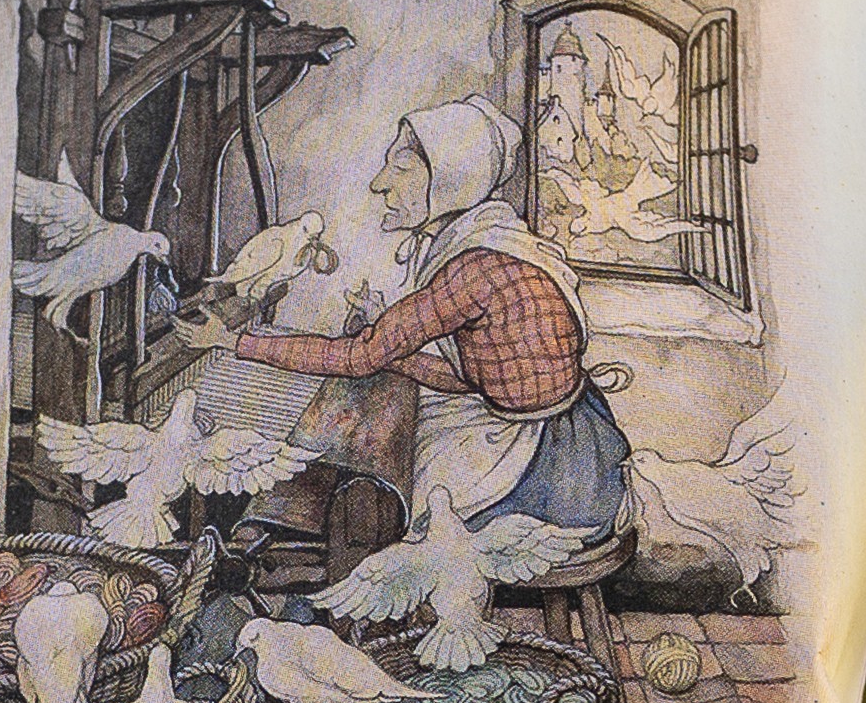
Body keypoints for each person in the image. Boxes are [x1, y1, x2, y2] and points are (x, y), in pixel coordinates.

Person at [222, 97, 631, 540]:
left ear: (450, 181)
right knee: (378, 395)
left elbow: (360, 357)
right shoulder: (495, 241)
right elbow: (470, 375)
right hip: (561, 435)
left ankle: (299, 527)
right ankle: (295, 521)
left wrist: (234, 343)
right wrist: (389, 349)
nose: (380, 184)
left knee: (373, 435)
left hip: (546, 475)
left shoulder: (476, 268)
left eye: (400, 168)